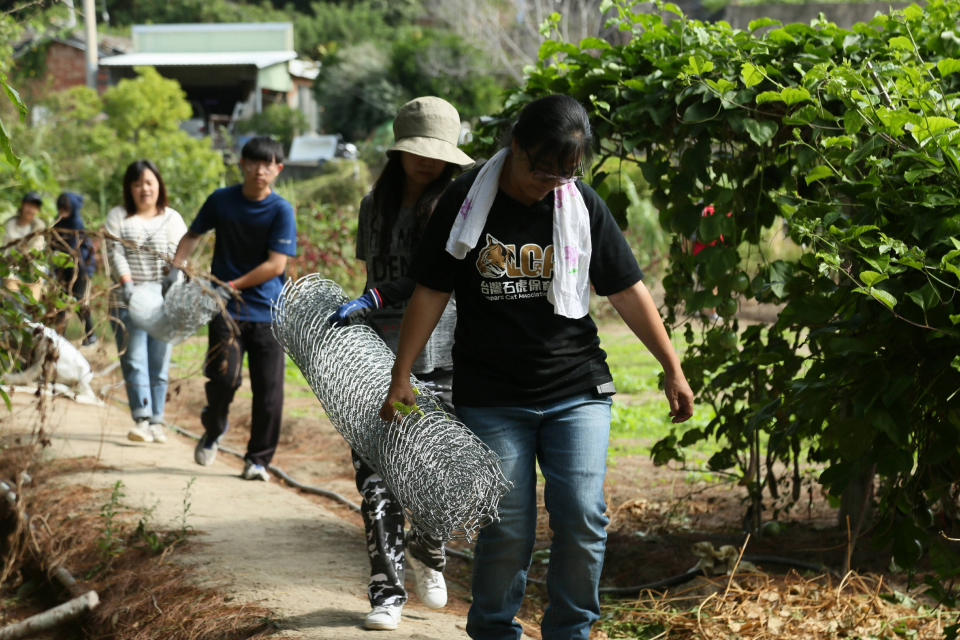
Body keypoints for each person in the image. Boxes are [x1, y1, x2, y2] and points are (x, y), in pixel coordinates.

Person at [380, 95, 695, 640]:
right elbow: (431, 290)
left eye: (562, 173)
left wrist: (672, 367)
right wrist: (401, 373)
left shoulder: (579, 203)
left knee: (582, 514)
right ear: (515, 145)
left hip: (576, 386)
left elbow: (625, 288)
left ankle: (571, 632)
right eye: (539, 169)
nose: (549, 183)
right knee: (508, 525)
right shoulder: (465, 199)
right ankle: (496, 630)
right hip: (492, 394)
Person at [326, 97, 473, 631]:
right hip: (375, 363)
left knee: (440, 475)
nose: (426, 162)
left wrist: (376, 297)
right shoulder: (374, 205)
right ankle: (387, 592)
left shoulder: (458, 207)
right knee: (377, 482)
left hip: (445, 358)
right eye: (417, 151)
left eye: (436, 154)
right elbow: (373, 274)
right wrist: (359, 311)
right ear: (398, 150)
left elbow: (435, 280)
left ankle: (428, 549)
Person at [165, 136, 297, 483]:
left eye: (268, 164)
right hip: (225, 311)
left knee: (269, 392)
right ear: (242, 164)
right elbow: (193, 234)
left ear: (278, 170)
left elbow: (275, 265)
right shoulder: (221, 200)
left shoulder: (281, 210)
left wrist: (231, 285)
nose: (260, 170)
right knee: (224, 377)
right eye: (253, 162)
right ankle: (214, 427)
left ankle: (258, 461)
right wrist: (177, 268)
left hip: (267, 312)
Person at [104, 160, 187, 443]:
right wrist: (128, 286)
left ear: (158, 185)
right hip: (126, 301)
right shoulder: (118, 216)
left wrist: (171, 287)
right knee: (134, 359)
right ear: (130, 188)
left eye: (149, 182)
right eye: (137, 183)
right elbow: (115, 253)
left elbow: (181, 256)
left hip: (163, 304)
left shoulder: (172, 218)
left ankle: (157, 421)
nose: (144, 189)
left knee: (159, 361)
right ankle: (141, 418)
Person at [53, 192, 97, 345]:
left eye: (66, 208)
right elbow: (54, 245)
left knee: (81, 302)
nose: (62, 212)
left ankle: (91, 336)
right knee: (61, 302)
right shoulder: (57, 223)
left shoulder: (76, 224)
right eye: (60, 208)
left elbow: (72, 249)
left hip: (81, 269)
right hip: (62, 269)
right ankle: (59, 336)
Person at [1, 192, 47, 298]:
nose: (31, 210)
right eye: (29, 206)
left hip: (32, 273)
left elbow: (35, 251)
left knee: (30, 307)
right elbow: (7, 247)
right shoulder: (11, 223)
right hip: (11, 272)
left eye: (34, 207)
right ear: (23, 204)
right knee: (12, 301)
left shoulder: (39, 226)